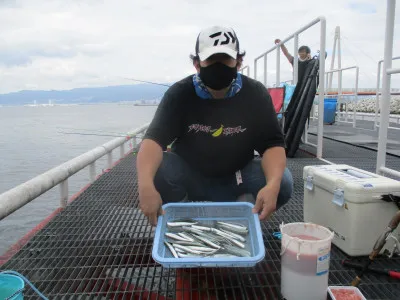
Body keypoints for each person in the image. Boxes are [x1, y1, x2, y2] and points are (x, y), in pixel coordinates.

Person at [137, 26, 293, 226]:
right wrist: (145, 187)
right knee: (156, 171)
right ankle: (186, 218)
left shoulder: (255, 94)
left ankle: (243, 214)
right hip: (190, 176)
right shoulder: (179, 94)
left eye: (226, 59)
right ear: (197, 64)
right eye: (211, 60)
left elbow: (273, 145)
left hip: (237, 176)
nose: (218, 66)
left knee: (283, 182)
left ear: (238, 62)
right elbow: (153, 142)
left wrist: (272, 185)